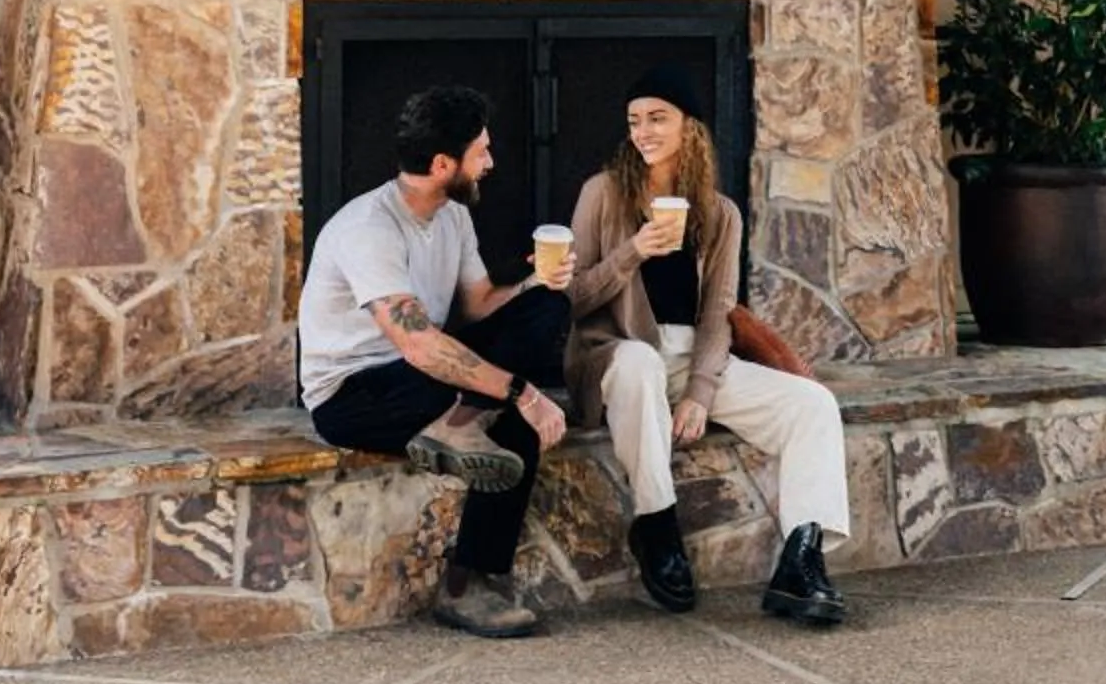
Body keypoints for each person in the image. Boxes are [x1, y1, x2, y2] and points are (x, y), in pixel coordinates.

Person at [564, 66, 851, 627]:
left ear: (688, 127)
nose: (643, 132)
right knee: (640, 364)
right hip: (615, 355)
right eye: (634, 121)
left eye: (657, 119)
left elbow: (718, 314)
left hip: (691, 358)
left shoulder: (719, 213)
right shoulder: (602, 193)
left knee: (812, 404)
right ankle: (657, 526)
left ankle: (801, 560)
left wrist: (700, 391)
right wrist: (634, 251)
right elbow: (573, 298)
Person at [299, 86, 572, 640]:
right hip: (357, 393)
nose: (490, 163)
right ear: (444, 164)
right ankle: (464, 427)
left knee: (546, 307)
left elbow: (479, 306)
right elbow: (419, 345)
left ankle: (467, 577)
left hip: (425, 378)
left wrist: (534, 283)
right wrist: (522, 391)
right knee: (513, 411)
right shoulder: (368, 228)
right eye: (482, 152)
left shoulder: (452, 216)